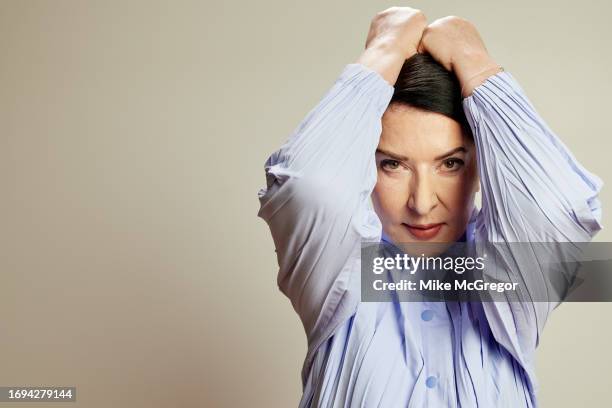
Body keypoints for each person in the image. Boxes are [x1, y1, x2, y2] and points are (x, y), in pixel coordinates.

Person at [256, 7, 603, 407]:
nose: (422, 203)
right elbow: (307, 186)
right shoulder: (339, 270)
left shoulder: (510, 279)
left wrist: (474, 61)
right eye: (393, 164)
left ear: (481, 165)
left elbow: (560, 206)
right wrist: (384, 51)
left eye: (450, 163)